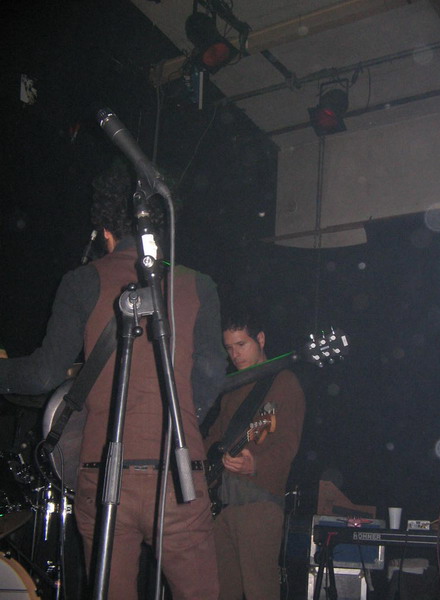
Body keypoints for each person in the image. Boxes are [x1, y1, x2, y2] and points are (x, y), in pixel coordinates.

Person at [0, 164, 226, 600]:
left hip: (105, 480)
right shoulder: (199, 285)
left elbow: (44, 373)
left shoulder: (83, 281)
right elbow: (212, 372)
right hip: (177, 481)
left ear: (104, 230)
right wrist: (177, 425)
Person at [204, 309, 305, 600]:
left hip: (259, 504)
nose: (235, 354)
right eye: (229, 348)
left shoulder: (284, 382)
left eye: (241, 344)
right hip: (221, 506)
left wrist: (255, 464)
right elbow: (213, 440)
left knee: (260, 591)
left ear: (260, 339)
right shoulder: (231, 388)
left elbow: (288, 445)